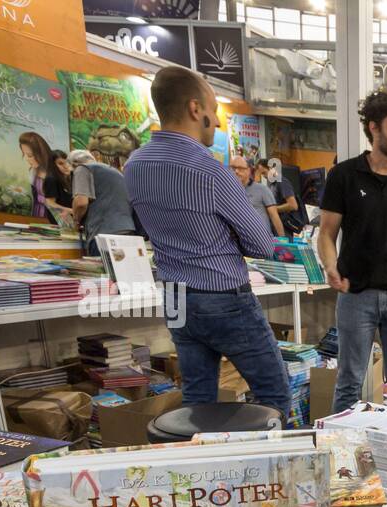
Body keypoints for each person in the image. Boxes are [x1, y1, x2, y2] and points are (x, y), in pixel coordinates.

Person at [124, 66, 291, 419]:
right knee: (274, 397)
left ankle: (201, 471)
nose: (216, 121)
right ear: (194, 108)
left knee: (197, 402)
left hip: (175, 295)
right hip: (223, 297)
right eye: (213, 110)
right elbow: (261, 244)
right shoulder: (209, 170)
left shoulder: (135, 165)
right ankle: (275, 473)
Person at [319, 88, 387, 413]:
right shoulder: (344, 176)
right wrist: (330, 265)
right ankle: (339, 454)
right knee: (350, 379)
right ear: (374, 128)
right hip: (356, 296)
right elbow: (326, 234)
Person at [67, 149, 136, 256]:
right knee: (123, 272)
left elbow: (81, 202)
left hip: (103, 233)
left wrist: (76, 220)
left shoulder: (82, 169)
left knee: (103, 272)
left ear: (74, 164)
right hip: (128, 231)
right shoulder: (115, 172)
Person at [19, 132, 71, 224]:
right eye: (24, 155)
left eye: (30, 155)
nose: (27, 159)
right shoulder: (33, 172)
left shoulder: (53, 177)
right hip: (39, 214)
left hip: (55, 217)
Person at [231, 155, 282, 236]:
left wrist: (283, 242)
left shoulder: (262, 189)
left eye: (240, 168)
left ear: (248, 171)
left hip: (263, 240)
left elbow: (274, 216)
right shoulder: (228, 192)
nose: (236, 171)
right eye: (233, 168)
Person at [261, 158, 305, 235]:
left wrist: (273, 209)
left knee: (283, 247)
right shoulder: (272, 185)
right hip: (276, 227)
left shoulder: (282, 182)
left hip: (284, 228)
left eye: (264, 173)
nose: (264, 176)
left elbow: (293, 205)